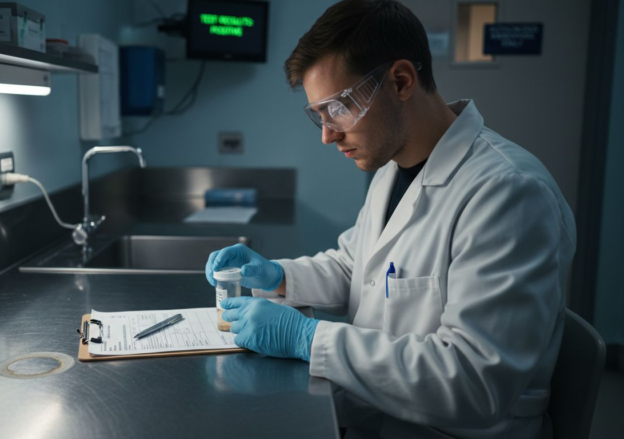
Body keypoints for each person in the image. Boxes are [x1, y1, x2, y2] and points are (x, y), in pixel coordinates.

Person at [204, 0, 576, 438]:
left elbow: (475, 385)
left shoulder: (507, 193)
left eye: (338, 108)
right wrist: (276, 275)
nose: (327, 135)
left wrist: (308, 338)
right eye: (317, 115)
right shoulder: (392, 169)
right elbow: (355, 266)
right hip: (381, 417)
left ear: (400, 81)